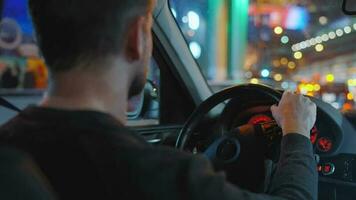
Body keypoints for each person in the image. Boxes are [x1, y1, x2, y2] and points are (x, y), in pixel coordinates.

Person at [0, 0, 318, 199]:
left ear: (43, 41)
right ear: (137, 37)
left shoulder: (9, 151)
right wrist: (297, 130)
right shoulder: (163, 179)